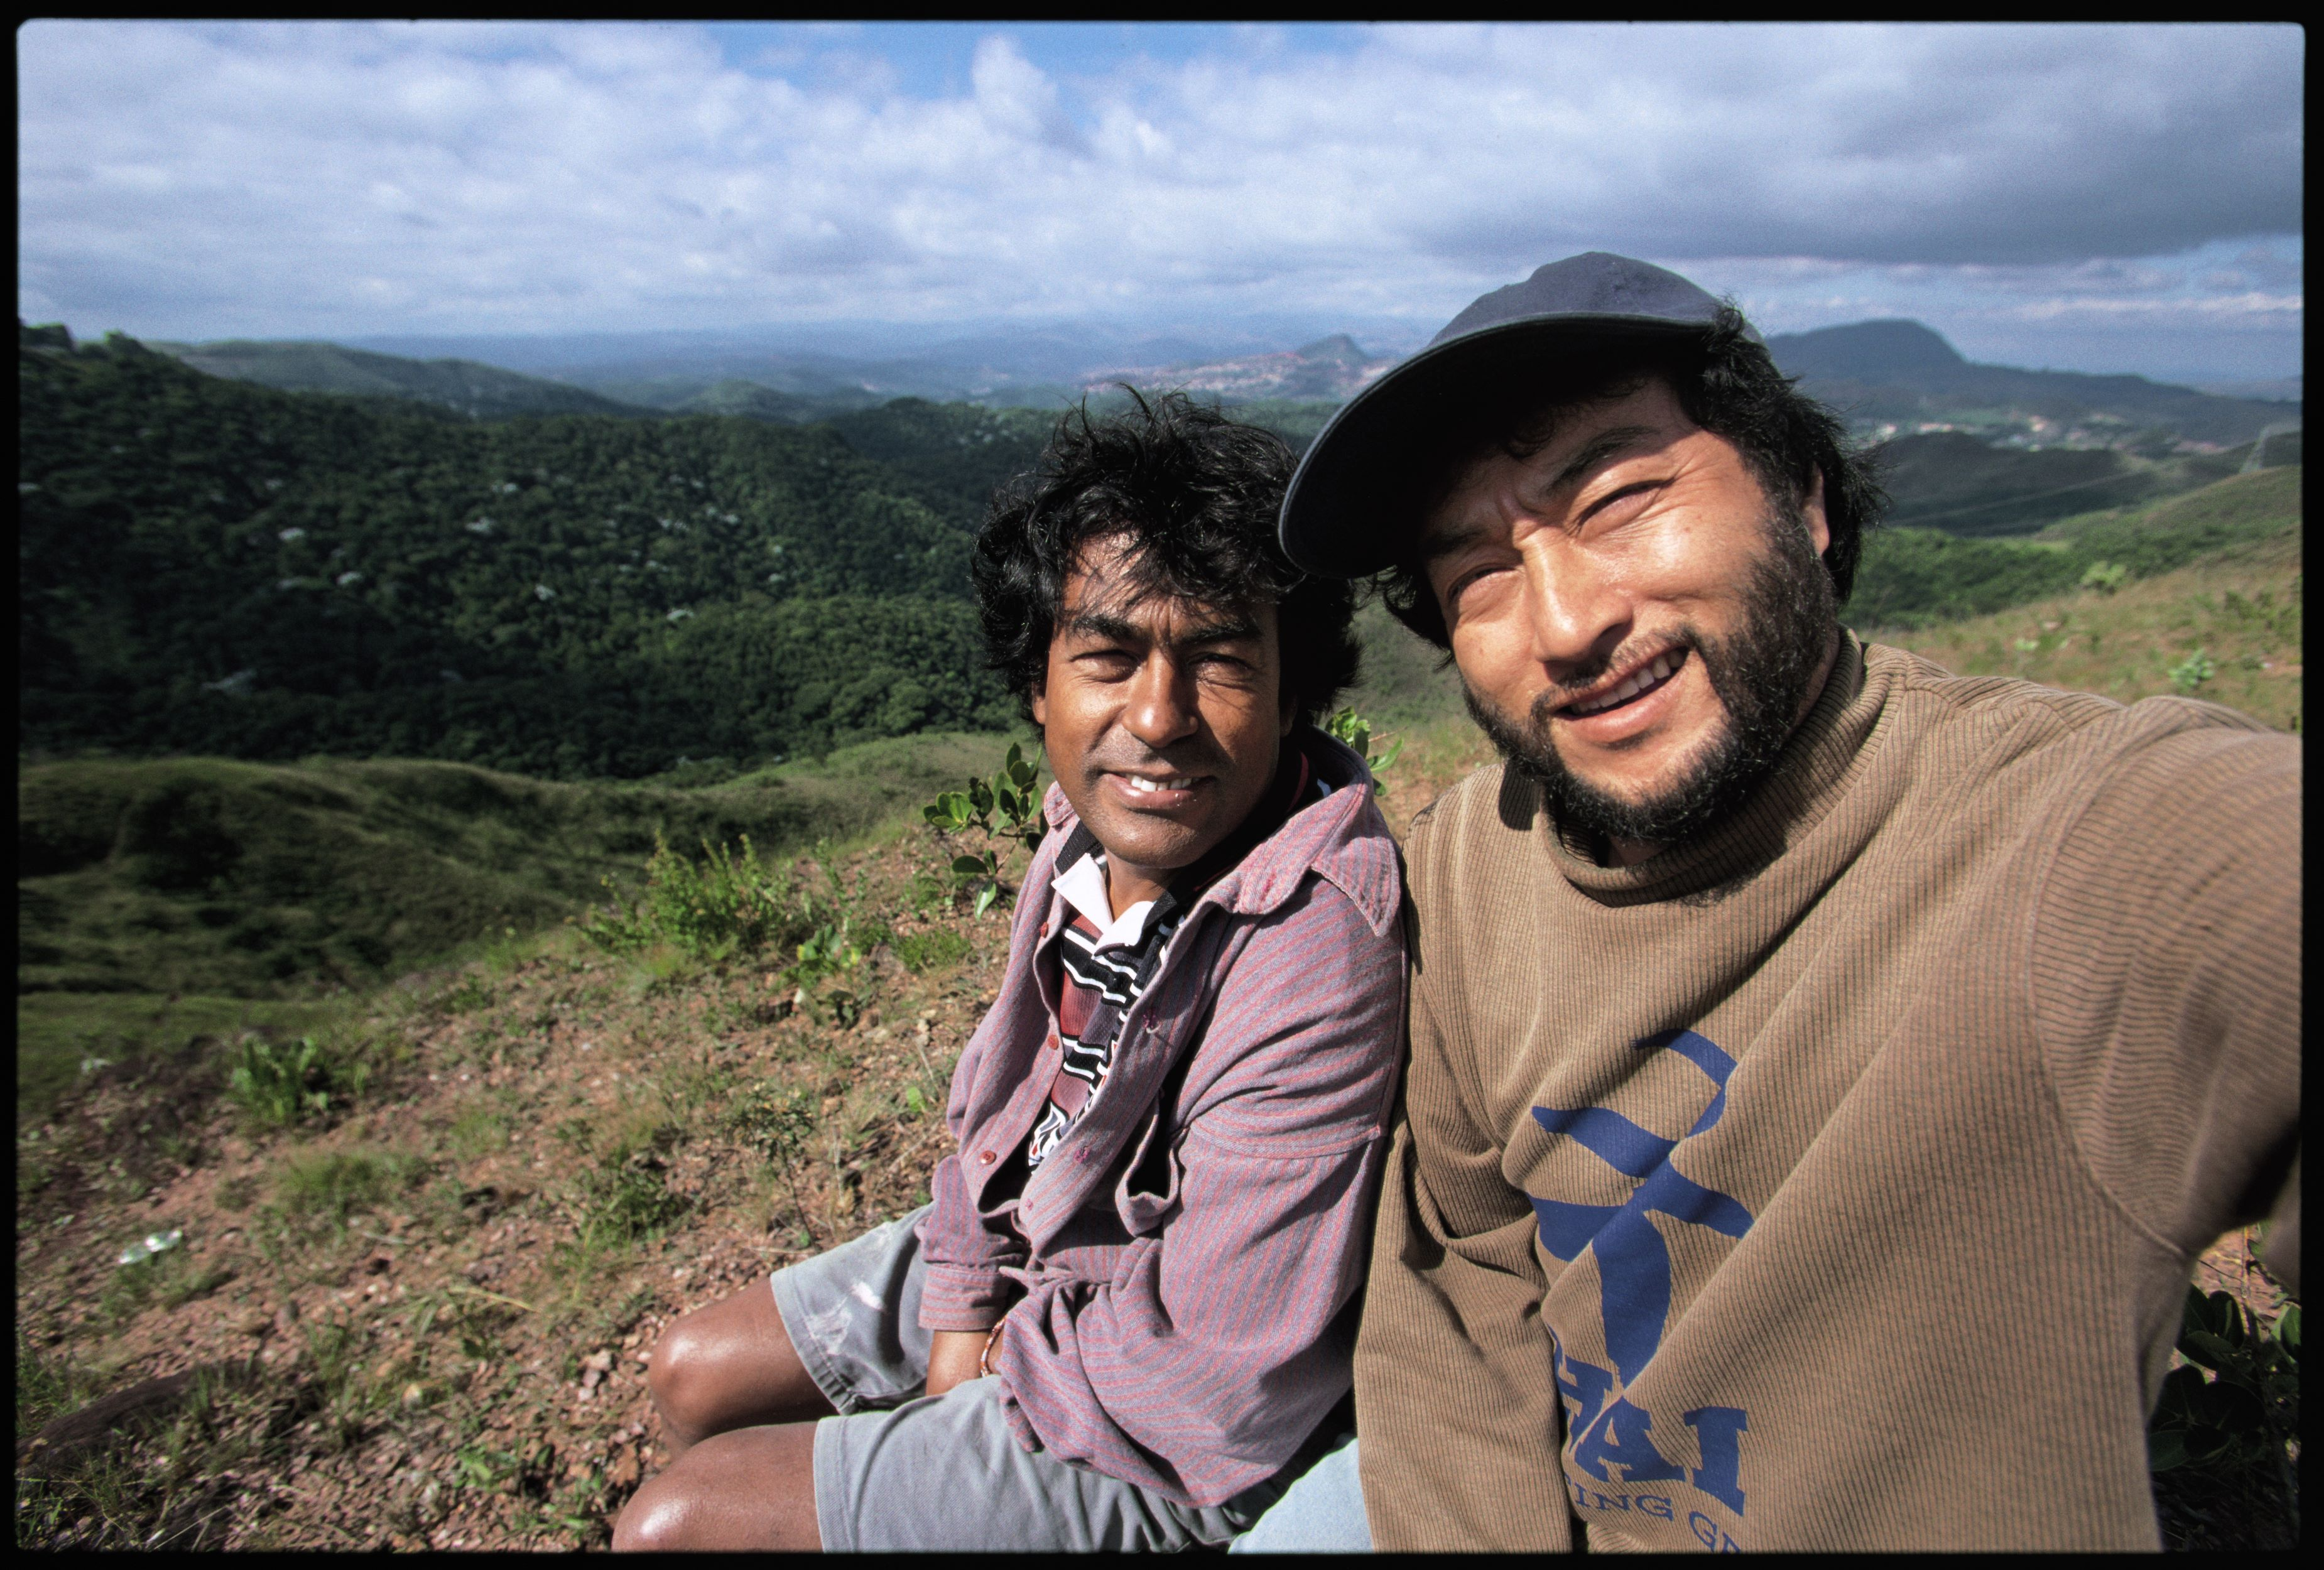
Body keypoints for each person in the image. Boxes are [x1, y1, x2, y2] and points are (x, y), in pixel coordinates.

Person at [1238, 252, 2301, 1552]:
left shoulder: (2077, 835)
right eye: (1477, 568)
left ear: (1800, 496)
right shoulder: (1471, 859)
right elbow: (1462, 1291)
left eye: (1621, 496)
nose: (1564, 621)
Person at [612, 392, 1406, 1552]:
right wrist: (963, 1294)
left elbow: (1218, 1376)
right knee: (691, 1374)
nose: (1158, 714)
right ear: (1040, 688)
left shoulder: (1315, 945)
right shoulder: (1091, 839)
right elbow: (1009, 1104)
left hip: (1172, 1426)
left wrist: (991, 1364)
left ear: (1293, 696)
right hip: (1052, 1240)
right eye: (1108, 655)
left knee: (677, 1525)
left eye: (1221, 659)